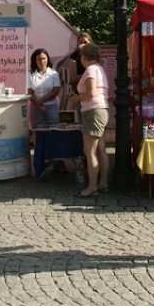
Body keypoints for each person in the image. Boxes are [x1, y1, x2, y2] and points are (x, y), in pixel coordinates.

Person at [67, 43, 109, 198]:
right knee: (101, 150)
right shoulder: (99, 69)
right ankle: (103, 183)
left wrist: (77, 98)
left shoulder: (90, 70)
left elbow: (90, 93)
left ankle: (92, 187)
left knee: (89, 151)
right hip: (102, 110)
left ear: (84, 57)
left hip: (92, 111)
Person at [28, 48, 62, 126]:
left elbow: (55, 91)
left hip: (51, 107)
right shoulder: (30, 74)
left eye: (44, 58)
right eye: (39, 59)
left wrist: (40, 100)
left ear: (47, 59)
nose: (42, 61)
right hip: (36, 107)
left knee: (54, 131)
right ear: (35, 61)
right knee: (38, 133)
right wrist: (38, 105)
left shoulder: (54, 74)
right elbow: (30, 92)